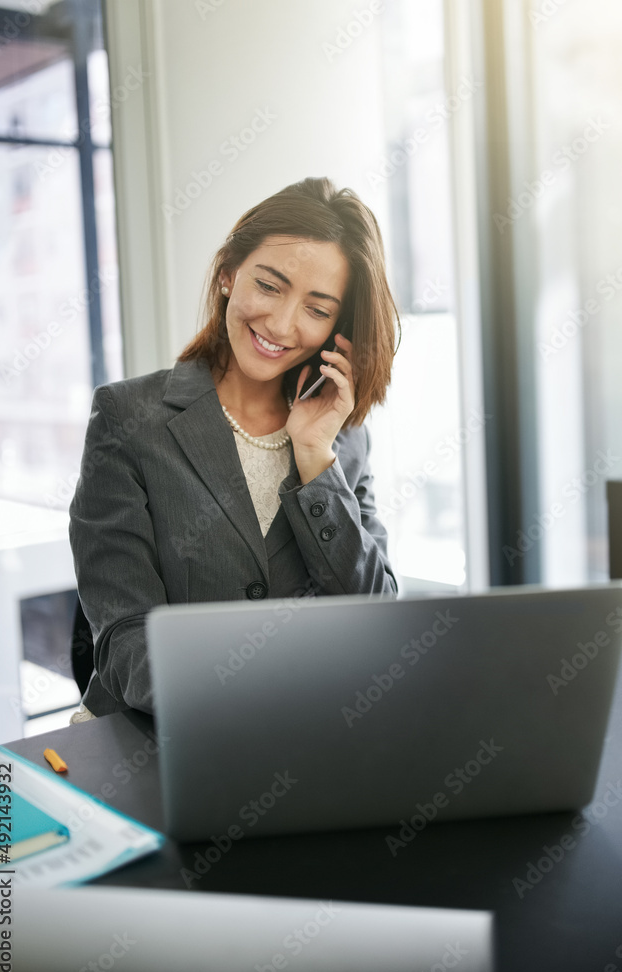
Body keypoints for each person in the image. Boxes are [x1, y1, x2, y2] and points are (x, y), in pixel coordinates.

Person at [68, 176, 400, 719]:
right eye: (269, 286)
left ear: (338, 327)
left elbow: (376, 615)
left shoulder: (343, 438)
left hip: (310, 739)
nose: (282, 323)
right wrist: (252, 711)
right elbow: (126, 639)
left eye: (317, 309)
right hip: (157, 738)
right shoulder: (126, 418)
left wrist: (316, 459)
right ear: (228, 273)